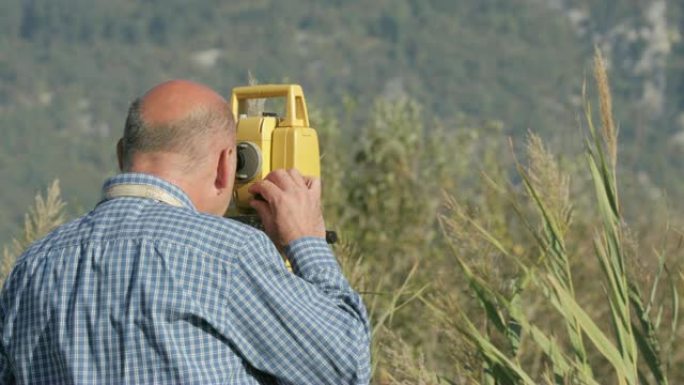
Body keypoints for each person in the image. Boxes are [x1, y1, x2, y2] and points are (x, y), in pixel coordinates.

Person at [0, 80, 371, 384]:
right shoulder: (226, 255)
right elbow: (346, 366)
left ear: (121, 155)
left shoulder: (32, 267)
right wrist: (307, 242)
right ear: (227, 165)